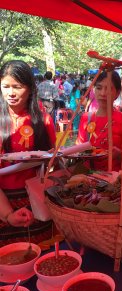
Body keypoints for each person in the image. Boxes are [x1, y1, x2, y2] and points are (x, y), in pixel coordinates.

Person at [0, 60, 56, 246]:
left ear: (31, 88)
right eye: (5, 86)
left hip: (36, 199)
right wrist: (8, 214)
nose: (11, 93)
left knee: (42, 252)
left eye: (17, 87)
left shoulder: (44, 120)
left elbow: (52, 163)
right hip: (3, 201)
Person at [76, 70, 122, 170]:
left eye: (109, 89)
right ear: (94, 90)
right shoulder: (86, 118)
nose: (103, 93)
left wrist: (119, 154)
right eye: (99, 88)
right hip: (86, 179)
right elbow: (78, 147)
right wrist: (58, 153)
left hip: (113, 180)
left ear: (117, 93)